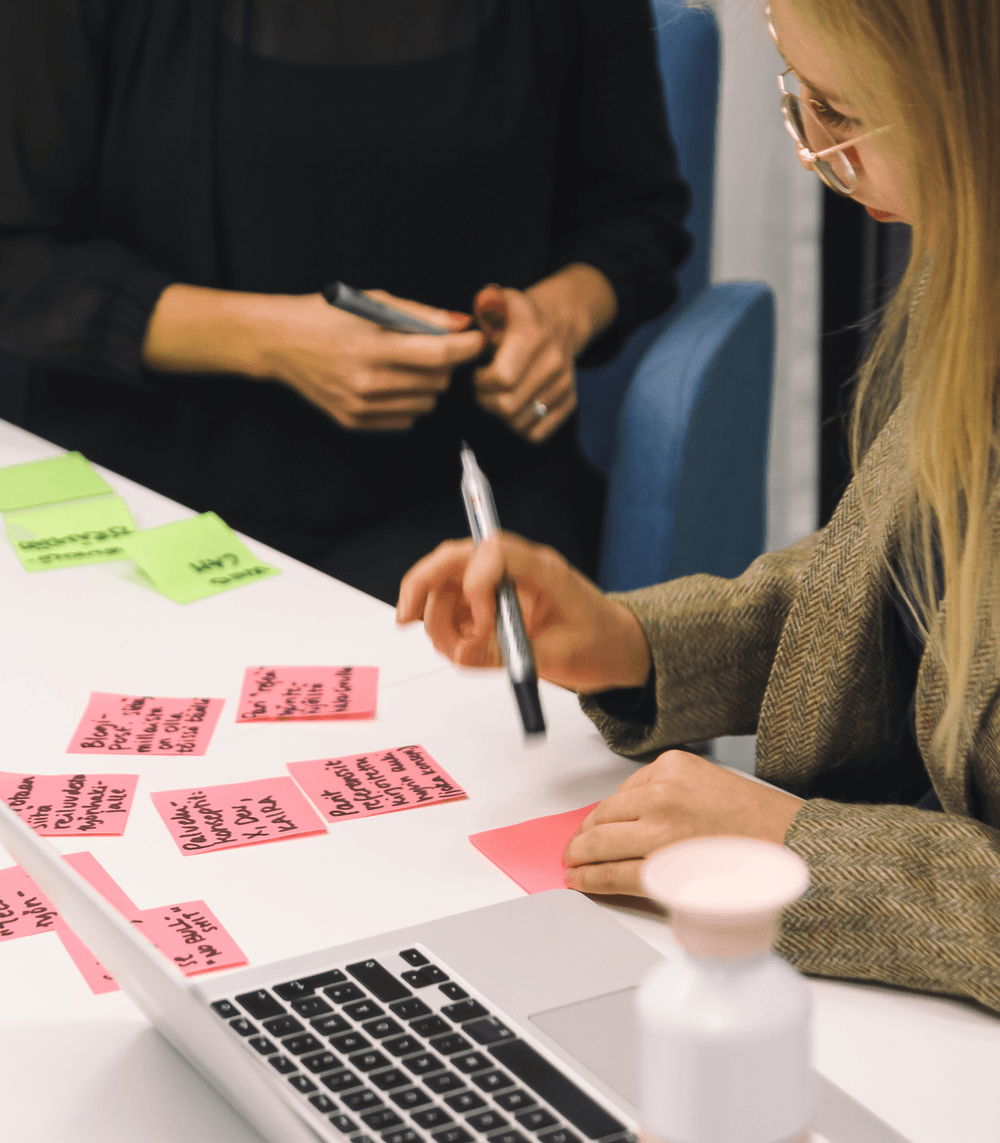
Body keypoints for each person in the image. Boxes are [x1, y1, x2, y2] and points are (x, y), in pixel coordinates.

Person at [397, 0, 1000, 1012]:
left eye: (842, 112)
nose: (814, 149)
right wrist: (631, 641)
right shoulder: (964, 258)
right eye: (795, 95)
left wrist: (800, 852)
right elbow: (902, 588)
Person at [0, 1, 691, 604]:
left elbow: (637, 214)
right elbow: (18, 257)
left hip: (459, 493)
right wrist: (268, 340)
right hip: (145, 494)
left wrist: (557, 319)